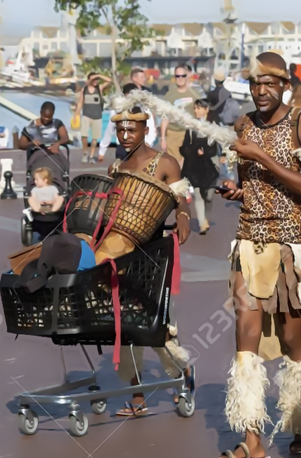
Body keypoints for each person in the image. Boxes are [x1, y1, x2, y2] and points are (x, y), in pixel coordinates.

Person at [216, 52, 301, 458]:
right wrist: (238, 191)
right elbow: (257, 186)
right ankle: (252, 438)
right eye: (254, 83)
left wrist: (261, 156)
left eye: (269, 83)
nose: (260, 90)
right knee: (244, 336)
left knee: (293, 337)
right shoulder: (243, 124)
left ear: (285, 85)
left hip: (289, 245)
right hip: (248, 239)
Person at [108, 106, 194, 416]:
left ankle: (181, 375)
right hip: (122, 254)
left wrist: (183, 217)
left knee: (159, 324)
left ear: (146, 130)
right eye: (121, 130)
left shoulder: (165, 163)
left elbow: (181, 200)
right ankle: (137, 394)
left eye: (132, 130)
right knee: (125, 322)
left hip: (155, 252)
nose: (126, 135)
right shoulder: (117, 167)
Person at [180, 99, 219, 235]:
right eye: (195, 108)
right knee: (198, 194)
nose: (196, 111)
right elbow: (184, 147)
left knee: (209, 196)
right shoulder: (191, 127)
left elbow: (217, 148)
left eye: (199, 108)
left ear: (206, 109)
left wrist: (207, 153)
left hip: (210, 166)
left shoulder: (213, 127)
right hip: (195, 165)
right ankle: (202, 223)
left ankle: (205, 217)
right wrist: (193, 152)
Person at [17, 101, 69, 190]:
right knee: (39, 169)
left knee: (55, 166)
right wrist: (32, 143)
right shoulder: (31, 126)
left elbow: (65, 138)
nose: (46, 119)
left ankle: (57, 187)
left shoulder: (57, 123)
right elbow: (21, 144)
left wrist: (57, 143)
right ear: (40, 112)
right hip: (37, 154)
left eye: (49, 117)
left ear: (53, 114)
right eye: (44, 116)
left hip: (53, 153)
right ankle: (36, 187)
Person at [99, 84, 158, 162]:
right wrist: (102, 151)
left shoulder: (144, 110)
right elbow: (109, 131)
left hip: (140, 148)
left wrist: (148, 143)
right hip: (123, 148)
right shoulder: (117, 111)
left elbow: (151, 129)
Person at [160, 64, 201, 165]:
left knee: (189, 165)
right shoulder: (170, 95)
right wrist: (163, 138)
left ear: (187, 76)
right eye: (177, 76)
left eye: (183, 75)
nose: (180, 78)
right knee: (175, 165)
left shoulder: (195, 93)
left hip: (190, 134)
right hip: (173, 133)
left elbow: (201, 115)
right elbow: (165, 117)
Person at [74, 72, 112, 163]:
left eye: (97, 80)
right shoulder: (85, 89)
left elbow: (109, 81)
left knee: (95, 138)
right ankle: (84, 153)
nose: (96, 81)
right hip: (86, 115)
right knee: (84, 135)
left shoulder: (99, 88)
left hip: (97, 116)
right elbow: (80, 103)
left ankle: (91, 156)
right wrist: (76, 114)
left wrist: (99, 75)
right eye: (93, 79)